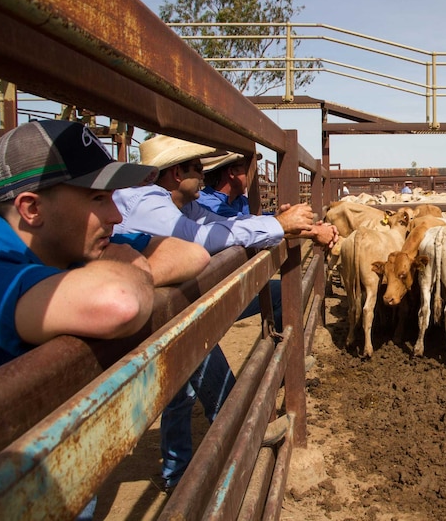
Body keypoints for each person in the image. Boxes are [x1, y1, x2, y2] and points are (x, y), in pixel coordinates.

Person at [0, 120, 210, 519]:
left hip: (55, 454)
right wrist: (129, 269)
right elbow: (119, 301)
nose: (117, 216)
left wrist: (129, 267)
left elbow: (193, 254)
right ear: (31, 208)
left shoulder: (69, 243)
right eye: (97, 198)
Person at [112, 134, 338, 492]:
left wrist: (298, 227)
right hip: (135, 310)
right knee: (199, 354)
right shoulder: (148, 203)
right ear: (175, 175)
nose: (204, 176)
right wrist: (280, 226)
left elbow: (220, 225)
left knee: (182, 384)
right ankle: (244, 430)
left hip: (161, 304)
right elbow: (201, 238)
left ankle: (180, 469)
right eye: (196, 169)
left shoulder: (182, 203)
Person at [197, 151, 258, 217]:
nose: (250, 175)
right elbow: (245, 222)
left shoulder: (241, 201)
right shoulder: (206, 203)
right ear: (232, 172)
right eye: (247, 169)